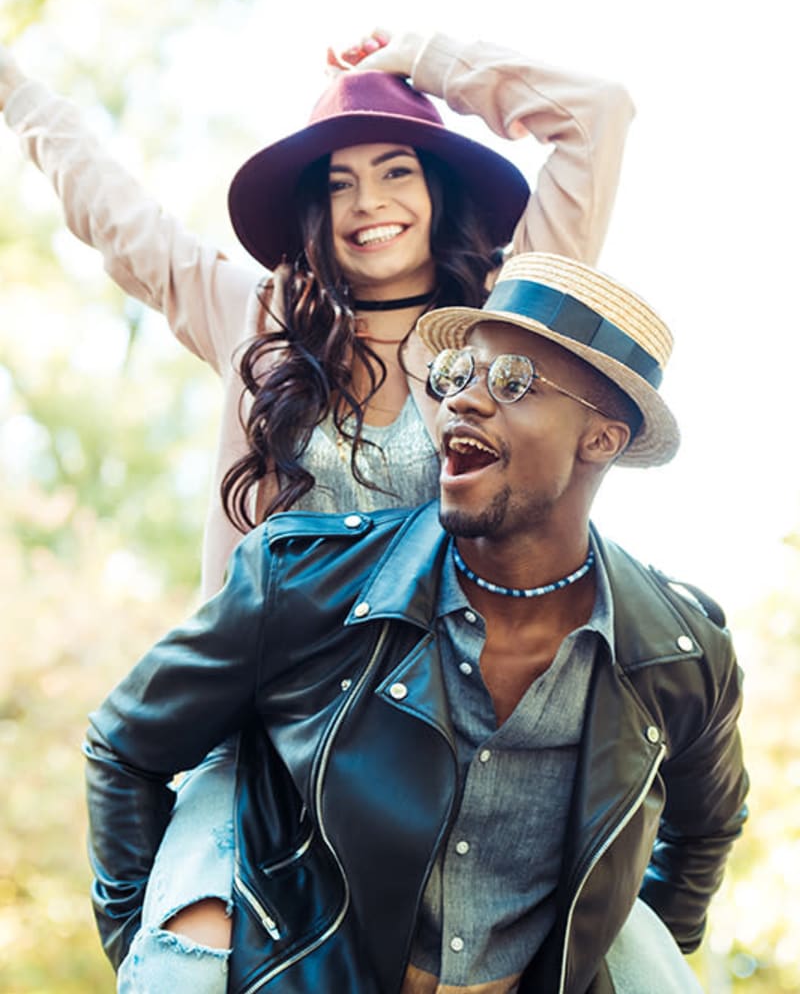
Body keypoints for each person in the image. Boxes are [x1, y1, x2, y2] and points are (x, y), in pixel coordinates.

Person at [2, 28, 636, 990]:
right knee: (169, 969)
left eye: (394, 171)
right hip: (269, 745)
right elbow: (109, 210)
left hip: (458, 748)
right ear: (311, 208)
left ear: (438, 191)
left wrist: (423, 56)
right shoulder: (255, 323)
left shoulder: (513, 321)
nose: (369, 203)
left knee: (647, 969)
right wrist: (13, 87)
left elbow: (595, 116)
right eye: (339, 182)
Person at [85, 250, 749, 993]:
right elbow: (123, 747)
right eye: (458, 375)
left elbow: (705, 831)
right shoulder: (305, 584)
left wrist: (601, 954)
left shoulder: (681, 655)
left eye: (512, 381)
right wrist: (146, 947)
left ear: (602, 439)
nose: (462, 400)